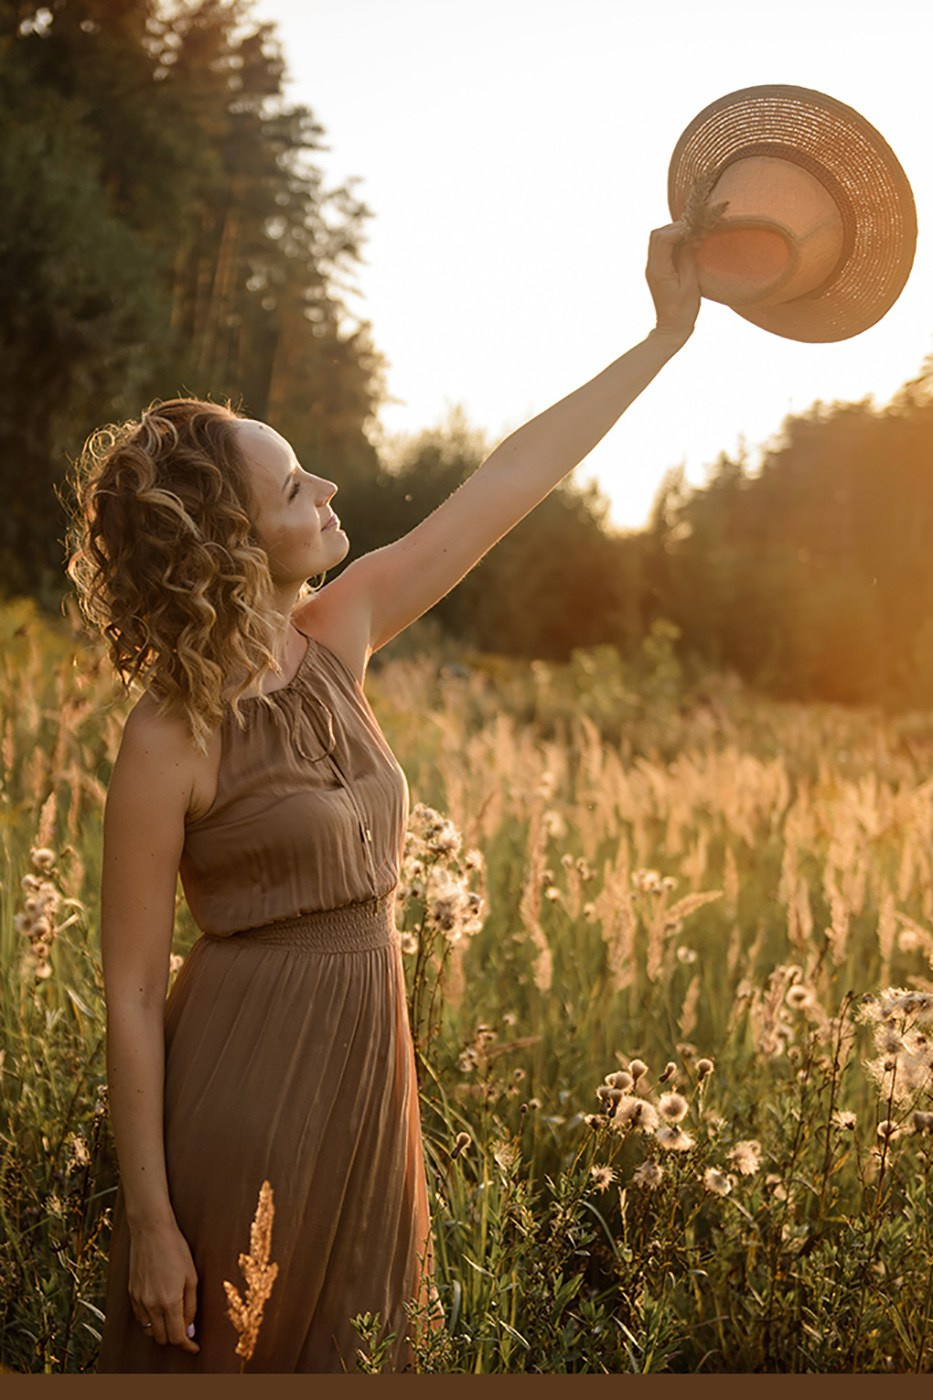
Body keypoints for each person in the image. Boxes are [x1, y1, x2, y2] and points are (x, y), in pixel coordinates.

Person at [68, 222, 699, 1373]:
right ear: (230, 538)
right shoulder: (170, 733)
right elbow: (128, 993)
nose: (329, 489)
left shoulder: (341, 630)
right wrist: (151, 1221)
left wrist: (661, 339)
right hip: (239, 1091)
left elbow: (510, 478)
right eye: (296, 485)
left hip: (369, 1076)